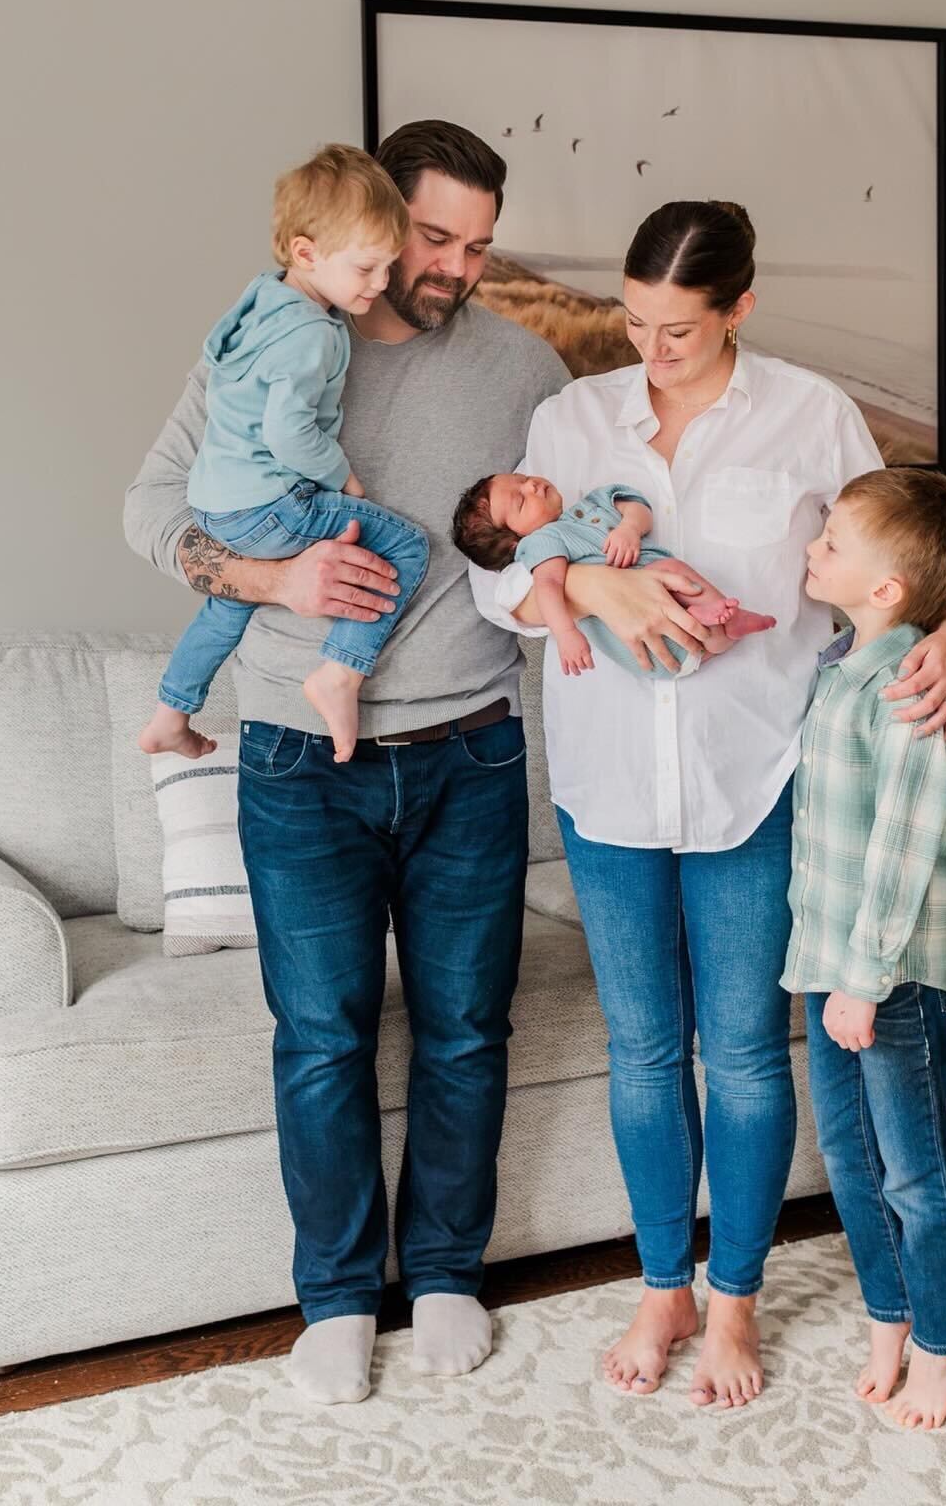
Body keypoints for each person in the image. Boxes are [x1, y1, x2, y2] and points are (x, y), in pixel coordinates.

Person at [468, 199, 946, 1411]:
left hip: (759, 784)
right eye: (635, 323)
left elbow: (903, 558)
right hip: (608, 786)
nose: (652, 351)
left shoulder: (813, 415)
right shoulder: (569, 418)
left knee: (745, 1055)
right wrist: (584, 579)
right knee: (644, 1052)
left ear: (741, 307)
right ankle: (663, 1288)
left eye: (681, 329)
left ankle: (734, 1298)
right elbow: (497, 587)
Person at [124, 121, 570, 1405]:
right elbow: (151, 507)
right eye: (434, 238)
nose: (455, 269)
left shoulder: (525, 370)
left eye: (481, 246)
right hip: (295, 760)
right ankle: (333, 1298)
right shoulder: (275, 338)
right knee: (320, 1037)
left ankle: (441, 1272)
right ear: (376, 219)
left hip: (471, 751)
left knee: (466, 1030)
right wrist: (269, 574)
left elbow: (591, 516)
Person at [781, 468, 946, 1431]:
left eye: (831, 545)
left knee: (913, 1169)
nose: (812, 551)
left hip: (889, 976)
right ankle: (888, 1319)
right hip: (832, 964)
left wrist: (862, 984)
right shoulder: (840, 666)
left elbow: (904, 844)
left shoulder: (908, 684)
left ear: (886, 590)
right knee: (852, 1163)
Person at [139, 144, 429, 764]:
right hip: (270, 503)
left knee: (228, 602)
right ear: (307, 252)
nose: (380, 285)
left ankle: (170, 712)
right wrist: (344, 477)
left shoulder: (262, 301)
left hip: (216, 509)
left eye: (388, 267)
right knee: (406, 544)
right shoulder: (308, 336)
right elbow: (291, 435)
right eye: (366, 269)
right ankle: (340, 674)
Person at [450, 472, 776, 677]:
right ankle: (709, 616)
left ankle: (722, 621)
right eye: (521, 500)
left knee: (703, 627)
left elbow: (637, 507)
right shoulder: (541, 543)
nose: (532, 484)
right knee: (669, 570)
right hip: (644, 640)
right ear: (515, 541)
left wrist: (629, 528)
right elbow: (549, 586)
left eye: (522, 479)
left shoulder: (591, 505)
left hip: (678, 635)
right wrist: (566, 633)